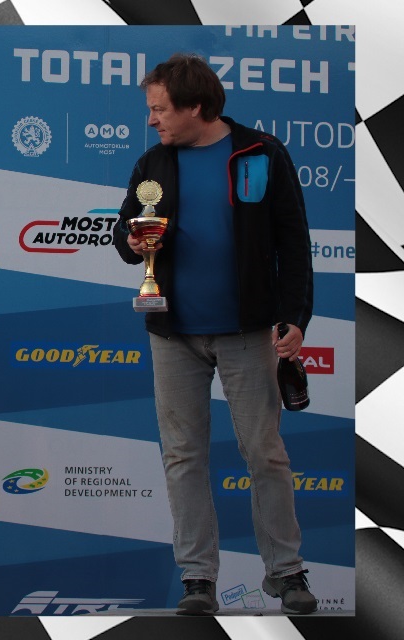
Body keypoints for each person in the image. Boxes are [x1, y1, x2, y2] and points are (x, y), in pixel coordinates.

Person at [112, 53, 317, 616]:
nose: (151, 119)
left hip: (248, 332)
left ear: (195, 106)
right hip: (172, 333)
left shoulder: (262, 153)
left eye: (159, 109)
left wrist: (295, 315)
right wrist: (132, 241)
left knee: (266, 454)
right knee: (183, 456)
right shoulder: (153, 161)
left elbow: (294, 241)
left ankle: (286, 571)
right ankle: (197, 578)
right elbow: (124, 231)